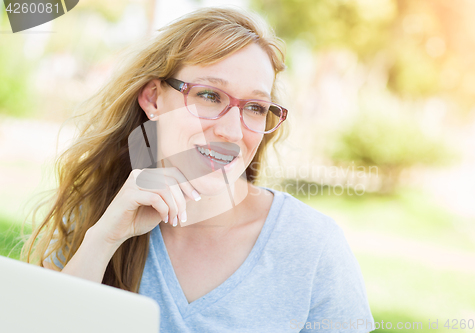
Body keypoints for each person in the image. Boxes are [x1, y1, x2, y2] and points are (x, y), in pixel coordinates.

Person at [21, 6, 375, 333]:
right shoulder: (102, 216)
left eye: (254, 107)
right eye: (209, 96)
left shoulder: (312, 249)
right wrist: (103, 240)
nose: (232, 132)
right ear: (154, 99)